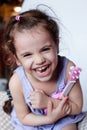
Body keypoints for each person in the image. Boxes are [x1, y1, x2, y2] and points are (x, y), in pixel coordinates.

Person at [2, 9, 85, 130]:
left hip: (62, 119)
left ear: (56, 44)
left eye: (45, 49)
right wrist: (49, 119)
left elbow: (77, 106)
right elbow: (24, 117)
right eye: (27, 55)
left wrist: (48, 102)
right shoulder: (17, 82)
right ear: (17, 59)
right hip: (32, 122)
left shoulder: (68, 70)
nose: (39, 60)